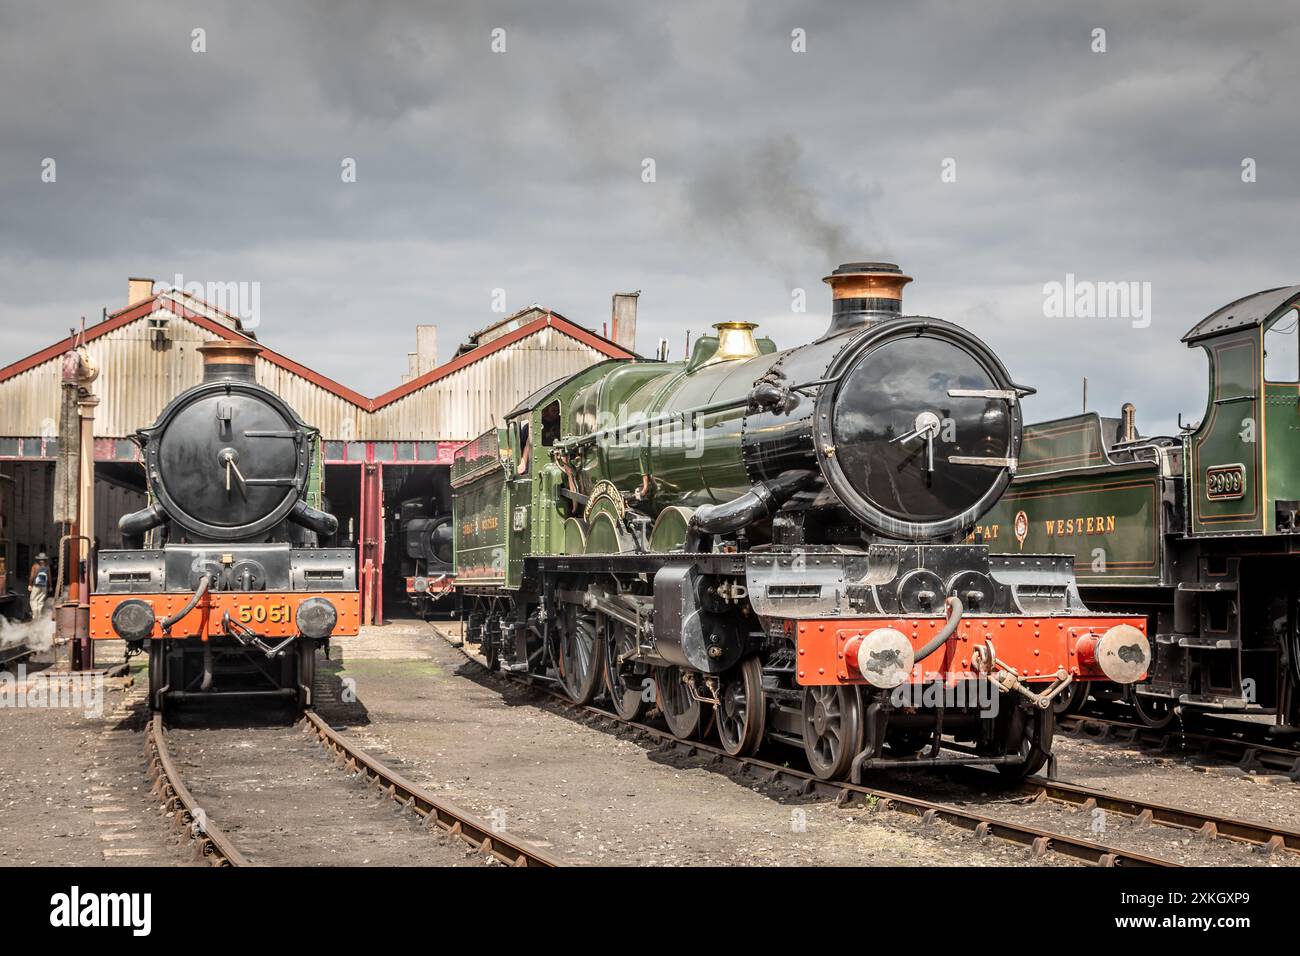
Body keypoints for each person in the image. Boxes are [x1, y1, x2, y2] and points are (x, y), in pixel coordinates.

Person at [28, 552, 49, 619]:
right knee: (41, 600)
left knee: (33, 599)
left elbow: (32, 576)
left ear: (38, 559)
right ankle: (39, 615)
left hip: (36, 586)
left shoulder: (35, 566)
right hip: (44, 586)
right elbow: (49, 577)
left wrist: (30, 585)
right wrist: (50, 586)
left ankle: (35, 614)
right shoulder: (47, 567)